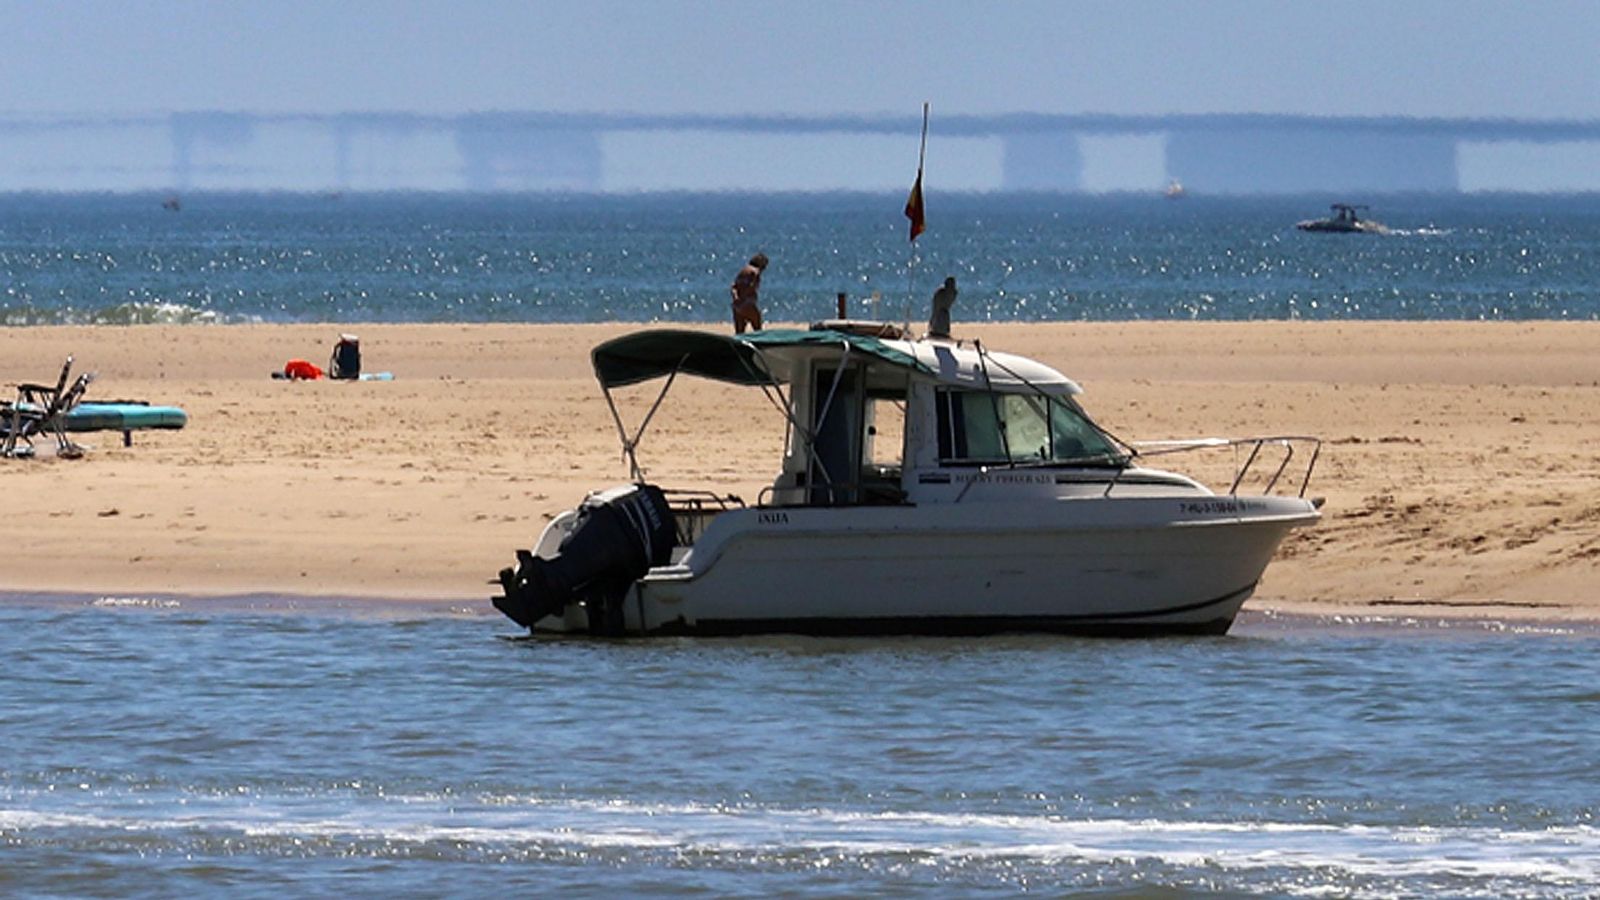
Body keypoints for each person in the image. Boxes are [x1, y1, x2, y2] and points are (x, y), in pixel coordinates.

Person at [730, 253, 768, 333]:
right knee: (757, 328)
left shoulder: (743, 271)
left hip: (737, 305)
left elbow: (733, 287)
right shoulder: (755, 272)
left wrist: (736, 297)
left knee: (739, 332)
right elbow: (752, 286)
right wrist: (745, 297)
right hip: (747, 303)